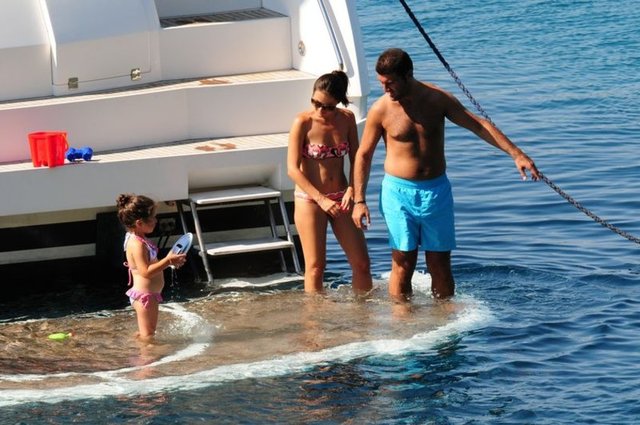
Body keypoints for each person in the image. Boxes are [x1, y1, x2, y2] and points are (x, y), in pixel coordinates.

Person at [352, 48, 540, 300]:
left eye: (390, 83)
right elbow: (363, 155)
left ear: (408, 75)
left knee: (440, 264)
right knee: (403, 262)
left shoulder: (437, 99)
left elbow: (478, 125)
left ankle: (444, 316)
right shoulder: (381, 109)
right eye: (381, 83)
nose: (385, 89)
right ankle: (402, 317)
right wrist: (359, 200)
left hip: (436, 191)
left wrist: (516, 154)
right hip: (398, 193)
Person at [287, 70, 373, 294]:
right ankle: (316, 316)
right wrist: (321, 199)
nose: (320, 111)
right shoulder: (303, 122)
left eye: (327, 107)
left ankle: (364, 312)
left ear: (338, 102)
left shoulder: (347, 119)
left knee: (362, 264)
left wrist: (352, 189)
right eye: (316, 103)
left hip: (342, 197)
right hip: (310, 199)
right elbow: (292, 169)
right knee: (316, 267)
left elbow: (357, 159)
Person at [116, 193, 187, 339]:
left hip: (149, 294)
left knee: (146, 333)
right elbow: (145, 272)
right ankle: (145, 354)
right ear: (139, 223)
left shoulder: (139, 238)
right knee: (148, 336)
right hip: (144, 296)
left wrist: (170, 261)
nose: (156, 220)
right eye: (152, 218)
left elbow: (152, 264)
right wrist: (168, 261)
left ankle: (134, 349)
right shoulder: (137, 244)